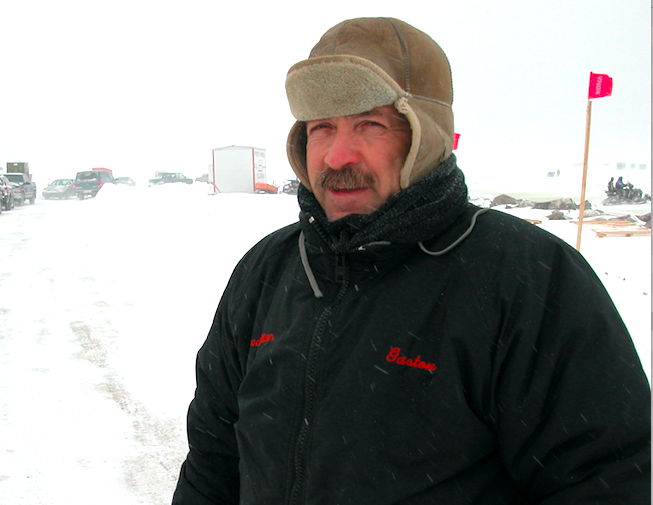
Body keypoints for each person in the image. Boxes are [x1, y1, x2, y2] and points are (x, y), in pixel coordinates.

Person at [172, 17, 650, 505]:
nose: (337, 156)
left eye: (369, 124)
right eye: (322, 128)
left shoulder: (526, 278)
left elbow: (604, 479)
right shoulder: (267, 271)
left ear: (428, 136)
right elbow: (213, 458)